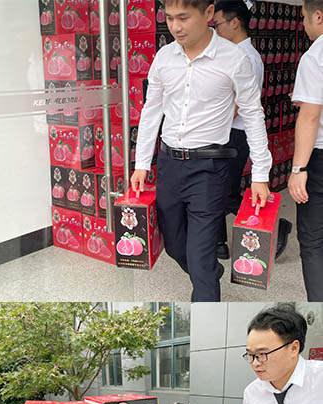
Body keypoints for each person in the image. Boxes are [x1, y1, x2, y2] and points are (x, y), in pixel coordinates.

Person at [130, 0, 272, 302]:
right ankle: (207, 271)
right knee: (175, 247)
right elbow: (151, 111)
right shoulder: (164, 57)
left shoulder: (234, 59)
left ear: (208, 13)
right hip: (169, 164)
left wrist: (261, 174)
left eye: (183, 18)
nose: (175, 27)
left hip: (210, 168)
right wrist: (141, 163)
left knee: (200, 257)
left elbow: (252, 115)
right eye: (169, 18)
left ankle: (206, 281)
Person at [212, 1, 293, 260]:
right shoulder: (232, 54)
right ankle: (218, 243)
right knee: (219, 189)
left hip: (234, 135)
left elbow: (240, 106)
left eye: (218, 25)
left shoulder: (246, 58)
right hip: (228, 133)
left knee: (222, 192)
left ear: (235, 22)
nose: (216, 31)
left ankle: (275, 227)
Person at [288, 0, 323, 301]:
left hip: (321, 157)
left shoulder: (315, 56)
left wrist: (298, 169)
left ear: (318, 16)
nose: (303, 24)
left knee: (313, 242)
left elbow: (310, 116)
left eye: (304, 18)